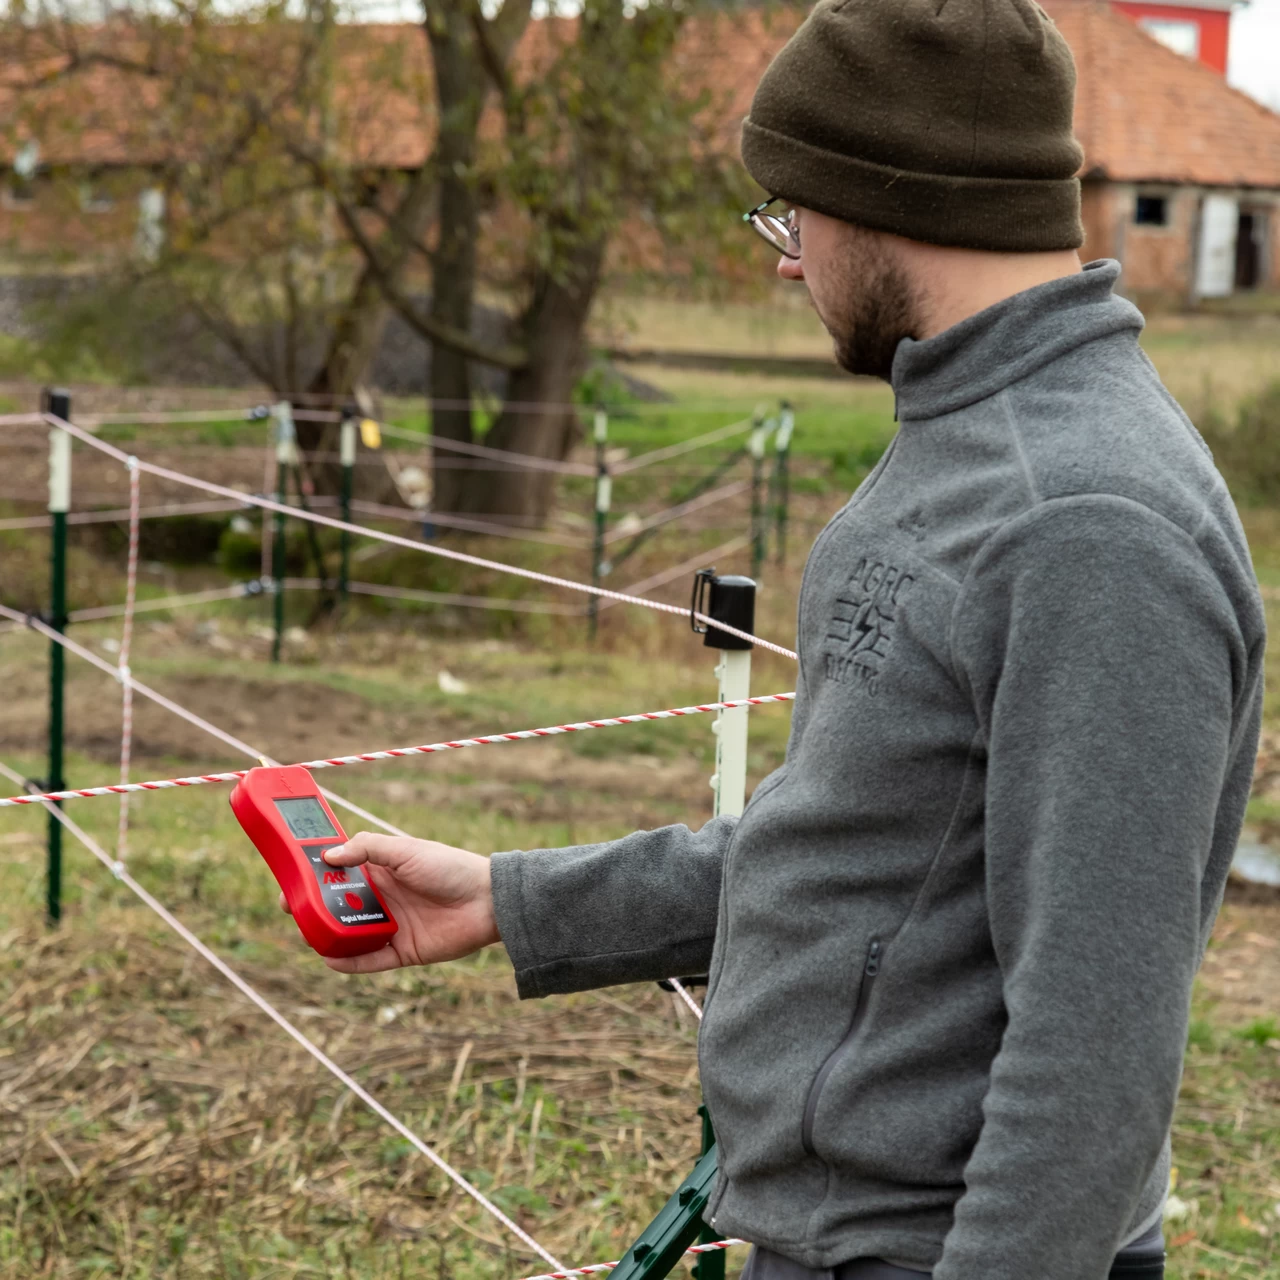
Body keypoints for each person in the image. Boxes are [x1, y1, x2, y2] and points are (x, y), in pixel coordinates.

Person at [290, 2, 1265, 1277]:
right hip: (839, 1236)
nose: (784, 260)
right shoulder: (967, 437)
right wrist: (511, 899)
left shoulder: (1085, 524)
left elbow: (1095, 1043)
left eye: (788, 213)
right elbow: (865, 838)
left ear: (881, 198)